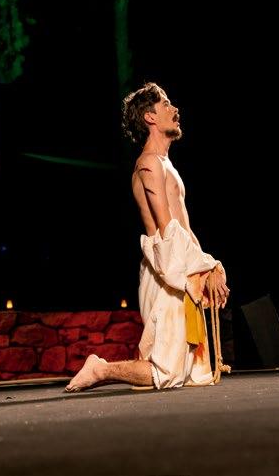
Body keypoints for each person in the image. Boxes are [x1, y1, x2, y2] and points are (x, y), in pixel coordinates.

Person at [66, 82, 229, 392]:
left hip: (179, 266)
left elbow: (184, 230)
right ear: (150, 117)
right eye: (166, 104)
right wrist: (204, 267)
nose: (174, 109)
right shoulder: (149, 164)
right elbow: (167, 230)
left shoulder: (165, 164)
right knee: (166, 372)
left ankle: (105, 368)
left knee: (187, 372)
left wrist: (208, 266)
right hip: (166, 269)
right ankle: (101, 369)